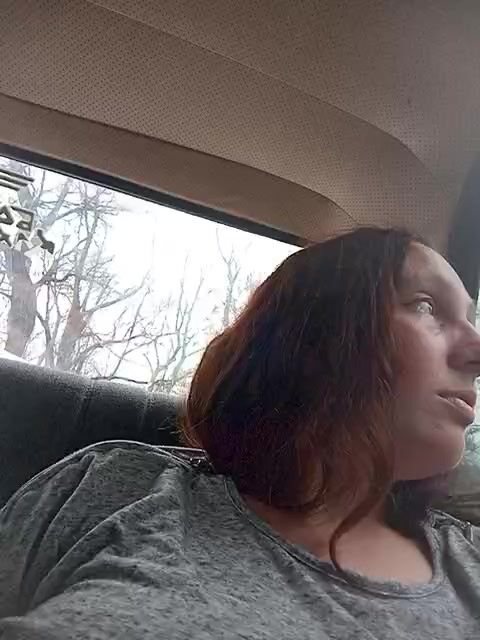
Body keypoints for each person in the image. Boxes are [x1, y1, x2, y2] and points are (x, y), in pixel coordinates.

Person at [0, 227, 480, 639]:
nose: (476, 351)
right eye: (425, 305)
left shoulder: (470, 565)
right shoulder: (117, 487)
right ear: (313, 335)